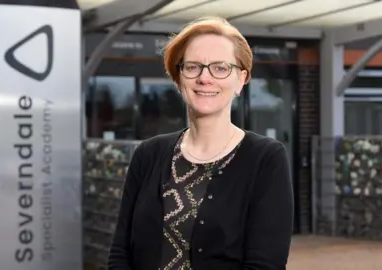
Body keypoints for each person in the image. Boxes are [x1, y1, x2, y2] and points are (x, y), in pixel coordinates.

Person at [108, 16, 294, 270]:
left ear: (241, 79)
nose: (204, 78)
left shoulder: (265, 159)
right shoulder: (148, 154)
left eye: (220, 68)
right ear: (178, 78)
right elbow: (120, 253)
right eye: (193, 67)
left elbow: (265, 265)